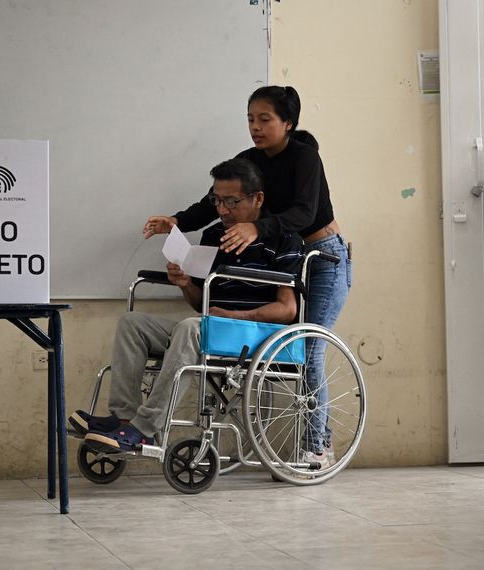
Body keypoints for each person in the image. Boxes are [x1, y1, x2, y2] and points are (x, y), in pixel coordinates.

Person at [143, 86, 350, 468]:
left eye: (265, 119)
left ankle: (318, 445)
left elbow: (305, 214)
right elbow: (213, 201)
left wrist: (258, 229)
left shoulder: (305, 158)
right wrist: (176, 222)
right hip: (286, 250)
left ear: (288, 122)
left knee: (309, 347)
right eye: (250, 119)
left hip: (323, 257)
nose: (255, 127)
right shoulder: (248, 161)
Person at [69, 158, 303, 452]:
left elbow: (287, 310)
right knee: (133, 325)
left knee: (192, 328)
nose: (222, 210)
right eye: (217, 201)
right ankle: (124, 419)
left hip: (250, 334)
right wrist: (186, 284)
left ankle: (145, 430)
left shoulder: (283, 238)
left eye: (231, 201)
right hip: (209, 328)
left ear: (257, 199)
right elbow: (198, 303)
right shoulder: (213, 235)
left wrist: (232, 315)